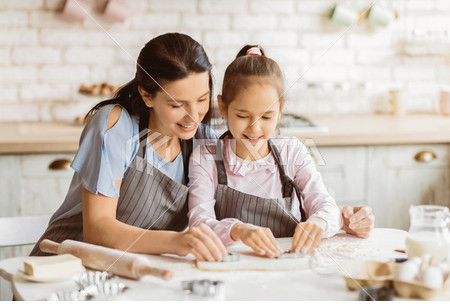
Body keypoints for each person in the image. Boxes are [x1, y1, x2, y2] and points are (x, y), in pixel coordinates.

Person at [30, 33, 227, 261]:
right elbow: (97, 230)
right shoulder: (115, 126)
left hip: (129, 274)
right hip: (62, 267)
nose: (193, 116)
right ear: (147, 95)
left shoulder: (205, 144)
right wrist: (176, 241)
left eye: (202, 100)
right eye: (177, 104)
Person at [188, 45, 374, 258]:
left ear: (281, 109)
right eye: (242, 116)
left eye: (266, 117)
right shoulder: (205, 158)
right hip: (232, 266)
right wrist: (238, 230)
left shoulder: (292, 152)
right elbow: (199, 224)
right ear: (222, 106)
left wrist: (318, 222)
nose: (255, 128)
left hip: (289, 262)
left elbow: (325, 205)